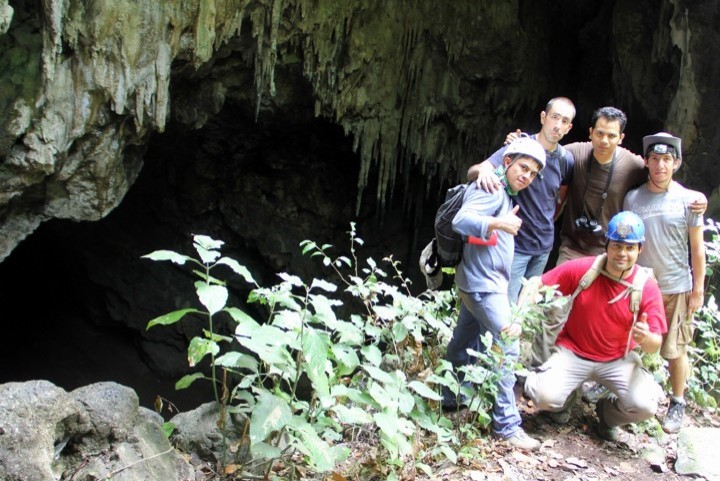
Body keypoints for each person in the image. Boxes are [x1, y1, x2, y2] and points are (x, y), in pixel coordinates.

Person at [521, 211, 667, 442]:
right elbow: (536, 284)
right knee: (544, 396)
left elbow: (654, 345)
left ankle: (607, 416)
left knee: (645, 406)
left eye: (630, 248)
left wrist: (646, 337)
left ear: (640, 249)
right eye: (617, 246)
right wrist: (517, 319)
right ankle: (563, 401)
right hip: (573, 351)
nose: (622, 253)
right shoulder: (584, 270)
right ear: (606, 245)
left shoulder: (646, 287)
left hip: (618, 358)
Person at [443, 137, 546, 451]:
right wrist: (498, 222)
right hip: (483, 286)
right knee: (507, 342)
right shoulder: (492, 189)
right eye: (522, 167)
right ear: (507, 162)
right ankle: (506, 425)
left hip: (479, 283)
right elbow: (462, 220)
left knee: (463, 340)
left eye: (532, 173)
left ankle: (451, 398)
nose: (526, 176)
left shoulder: (504, 191)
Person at [623, 132, 706, 433]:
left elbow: (697, 248)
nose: (660, 165)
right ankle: (619, 390)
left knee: (675, 348)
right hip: (643, 286)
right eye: (655, 159)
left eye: (667, 160)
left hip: (678, 286)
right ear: (646, 162)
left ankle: (677, 402)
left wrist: (698, 288)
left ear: (676, 163)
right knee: (630, 339)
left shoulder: (688, 200)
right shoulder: (633, 199)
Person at [467, 97, 576, 302]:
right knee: (504, 308)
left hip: (543, 247)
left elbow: (560, 199)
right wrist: (483, 173)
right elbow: (479, 169)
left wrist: (545, 222)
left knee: (525, 308)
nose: (557, 125)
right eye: (554, 117)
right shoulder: (519, 146)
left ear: (569, 127)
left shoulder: (566, 160)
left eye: (564, 121)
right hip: (514, 245)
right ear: (543, 117)